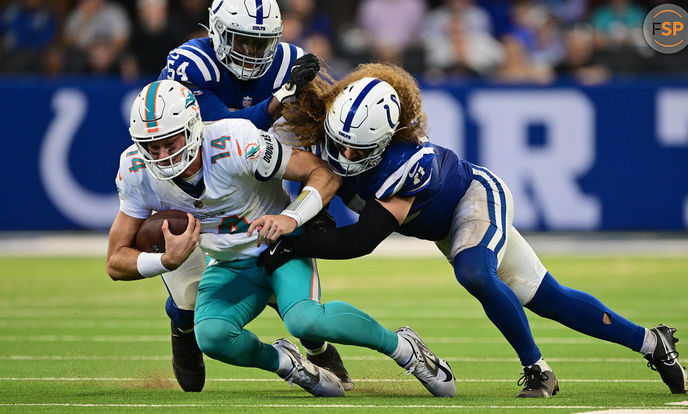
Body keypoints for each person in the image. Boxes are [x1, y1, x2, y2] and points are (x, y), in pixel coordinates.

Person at [252, 63, 688, 398]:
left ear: (383, 141)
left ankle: (538, 369)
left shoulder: (403, 165)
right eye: (339, 141)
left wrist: (292, 238)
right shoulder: (330, 127)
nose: (344, 154)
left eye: (357, 148)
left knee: (476, 272)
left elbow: (360, 241)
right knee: (548, 298)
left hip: (473, 200)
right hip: (440, 225)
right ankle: (652, 342)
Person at [107, 80, 456, 398]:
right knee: (211, 336)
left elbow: (323, 173)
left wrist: (291, 217)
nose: (162, 155)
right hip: (230, 263)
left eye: (170, 141)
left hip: (279, 248)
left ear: (193, 128)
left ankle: (405, 349)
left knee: (305, 320)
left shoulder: (235, 142)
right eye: (151, 146)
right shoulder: (137, 172)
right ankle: (288, 363)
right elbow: (115, 260)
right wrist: (165, 262)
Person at [153, 0, 344, 393]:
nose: (254, 54)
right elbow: (215, 133)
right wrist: (279, 100)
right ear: (217, 32)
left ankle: (313, 343)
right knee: (189, 290)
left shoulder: (288, 61)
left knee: (280, 256)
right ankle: (183, 327)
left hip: (255, 175)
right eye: (243, 41)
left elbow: (311, 139)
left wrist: (310, 205)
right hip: (193, 176)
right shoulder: (191, 63)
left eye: (263, 43)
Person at [62, 0, 130, 73]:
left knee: (127, 61)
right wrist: (86, 20)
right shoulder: (76, 15)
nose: (92, 2)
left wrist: (107, 51)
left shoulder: (115, 12)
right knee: (73, 60)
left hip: (111, 53)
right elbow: (70, 42)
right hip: (85, 54)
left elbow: (122, 39)